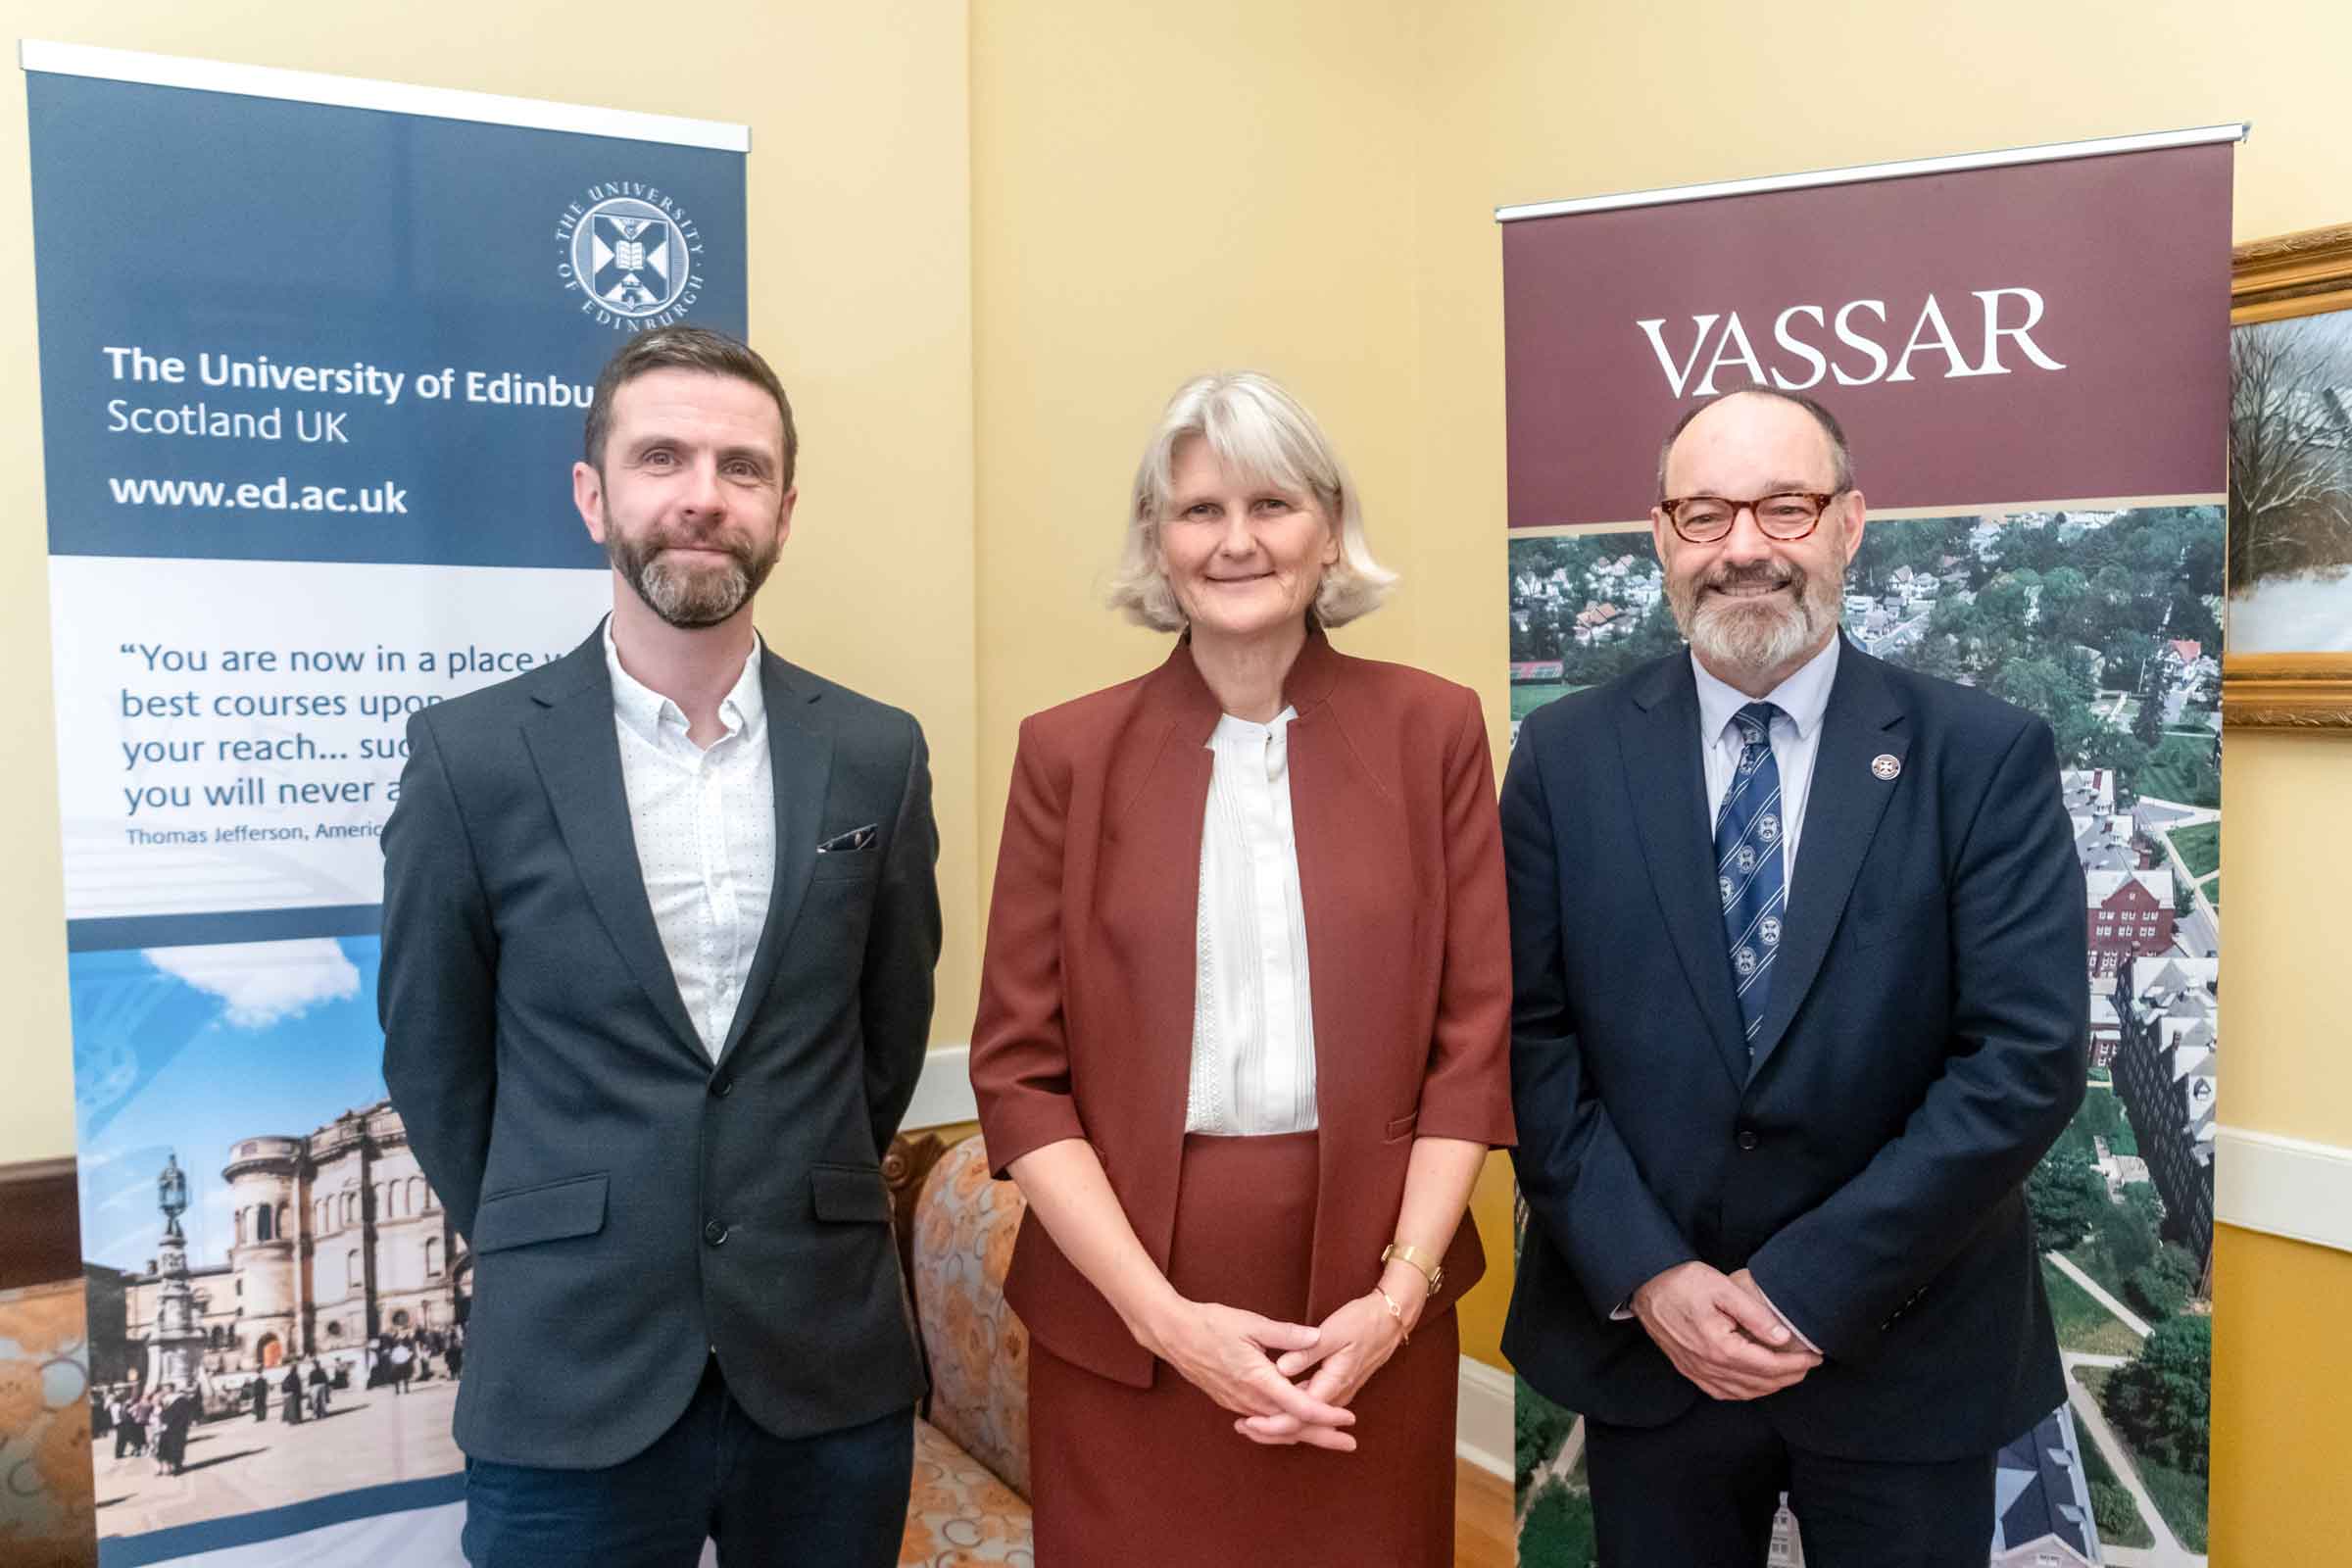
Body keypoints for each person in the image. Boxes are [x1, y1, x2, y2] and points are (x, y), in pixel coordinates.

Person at [381, 325, 942, 1568]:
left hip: (825, 1374)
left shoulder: (875, 753)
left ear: (785, 512)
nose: (702, 495)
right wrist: (565, 1229)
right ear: (594, 495)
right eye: (662, 456)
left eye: (742, 468)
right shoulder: (470, 760)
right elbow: (434, 1061)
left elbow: (886, 1038)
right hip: (570, 1378)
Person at [1502, 388, 2088, 1567]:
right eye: (1707, 514)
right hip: (1651, 1354)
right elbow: (1526, 1035)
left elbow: (2024, 1060)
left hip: (1905, 1350)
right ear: (1664, 538)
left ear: (1850, 523)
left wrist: (1805, 1288)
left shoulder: (1982, 757)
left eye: (1786, 507)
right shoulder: (1563, 756)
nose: (1746, 550)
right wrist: (1655, 1275)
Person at [969, 370, 1514, 1565]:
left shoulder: (1436, 732)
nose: (1236, 541)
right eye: (1199, 510)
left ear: (1328, 533)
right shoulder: (1067, 754)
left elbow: (1473, 1044)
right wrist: (1163, 1318)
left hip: (1373, 1299)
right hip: (1128, 1314)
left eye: (1271, 504)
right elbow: (1017, 1071)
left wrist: (1396, 1299)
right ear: (1157, 544)